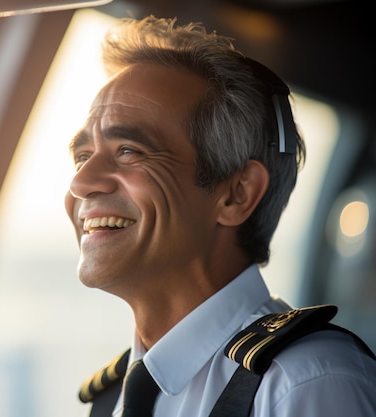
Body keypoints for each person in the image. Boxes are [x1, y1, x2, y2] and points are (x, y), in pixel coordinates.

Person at [64, 15, 376, 417]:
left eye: (129, 150)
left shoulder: (304, 383)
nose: (81, 183)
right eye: (83, 156)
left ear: (236, 194)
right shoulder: (113, 397)